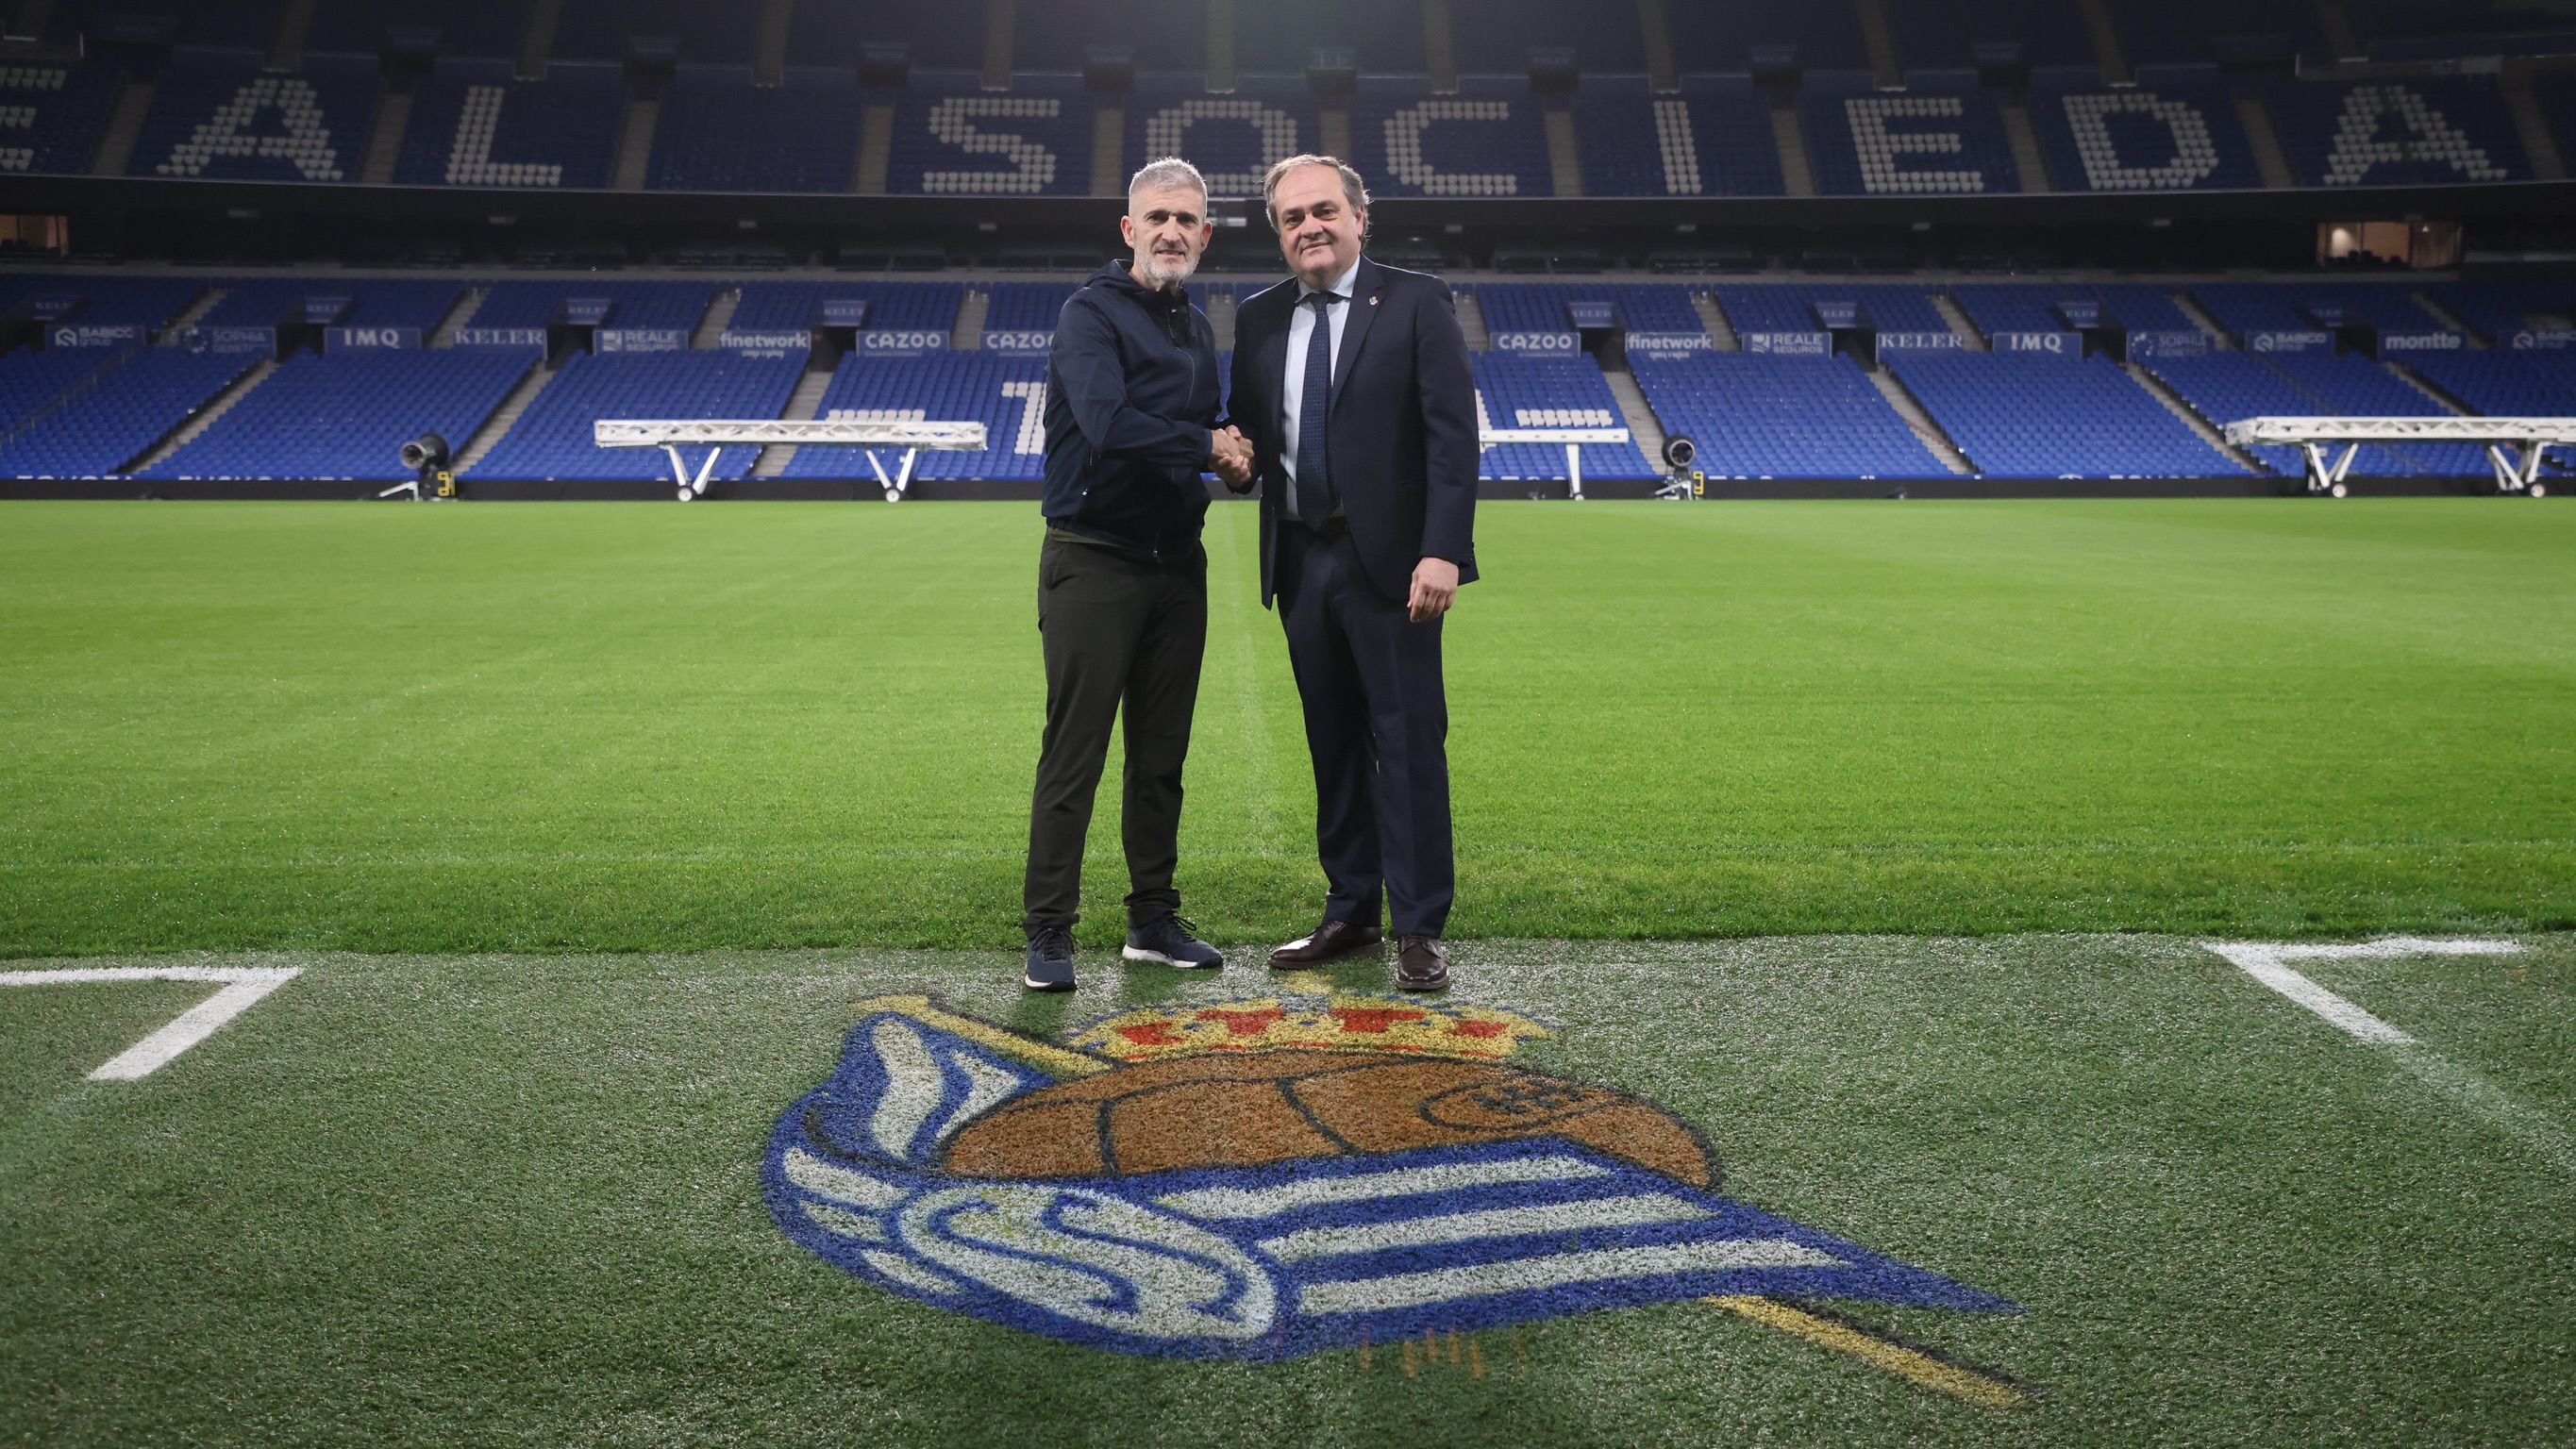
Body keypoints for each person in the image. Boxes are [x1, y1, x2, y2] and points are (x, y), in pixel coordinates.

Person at [1221, 155, 1477, 992]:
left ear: (1361, 217)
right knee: (1330, 742)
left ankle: (1420, 926)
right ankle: (1351, 910)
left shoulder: (1414, 300)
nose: (1309, 228)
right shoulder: (1258, 319)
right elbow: (1251, 440)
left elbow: (1451, 436)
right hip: (1300, 560)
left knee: (1406, 743)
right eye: (1292, 218)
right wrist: (1229, 460)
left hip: (1396, 565)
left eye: (1324, 210)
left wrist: (1443, 549)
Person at [1021, 157, 1255, 992]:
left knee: (1161, 757)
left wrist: (1232, 458)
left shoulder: (1194, 325)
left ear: (1205, 235)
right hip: (1092, 560)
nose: (1171, 233)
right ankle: (1049, 930)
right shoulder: (1088, 313)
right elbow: (1108, 421)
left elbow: (1206, 427)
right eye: (1157, 218)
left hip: (1174, 568)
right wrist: (1206, 446)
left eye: (1187, 220)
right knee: (1073, 754)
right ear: (1129, 230)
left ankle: (1152, 920)